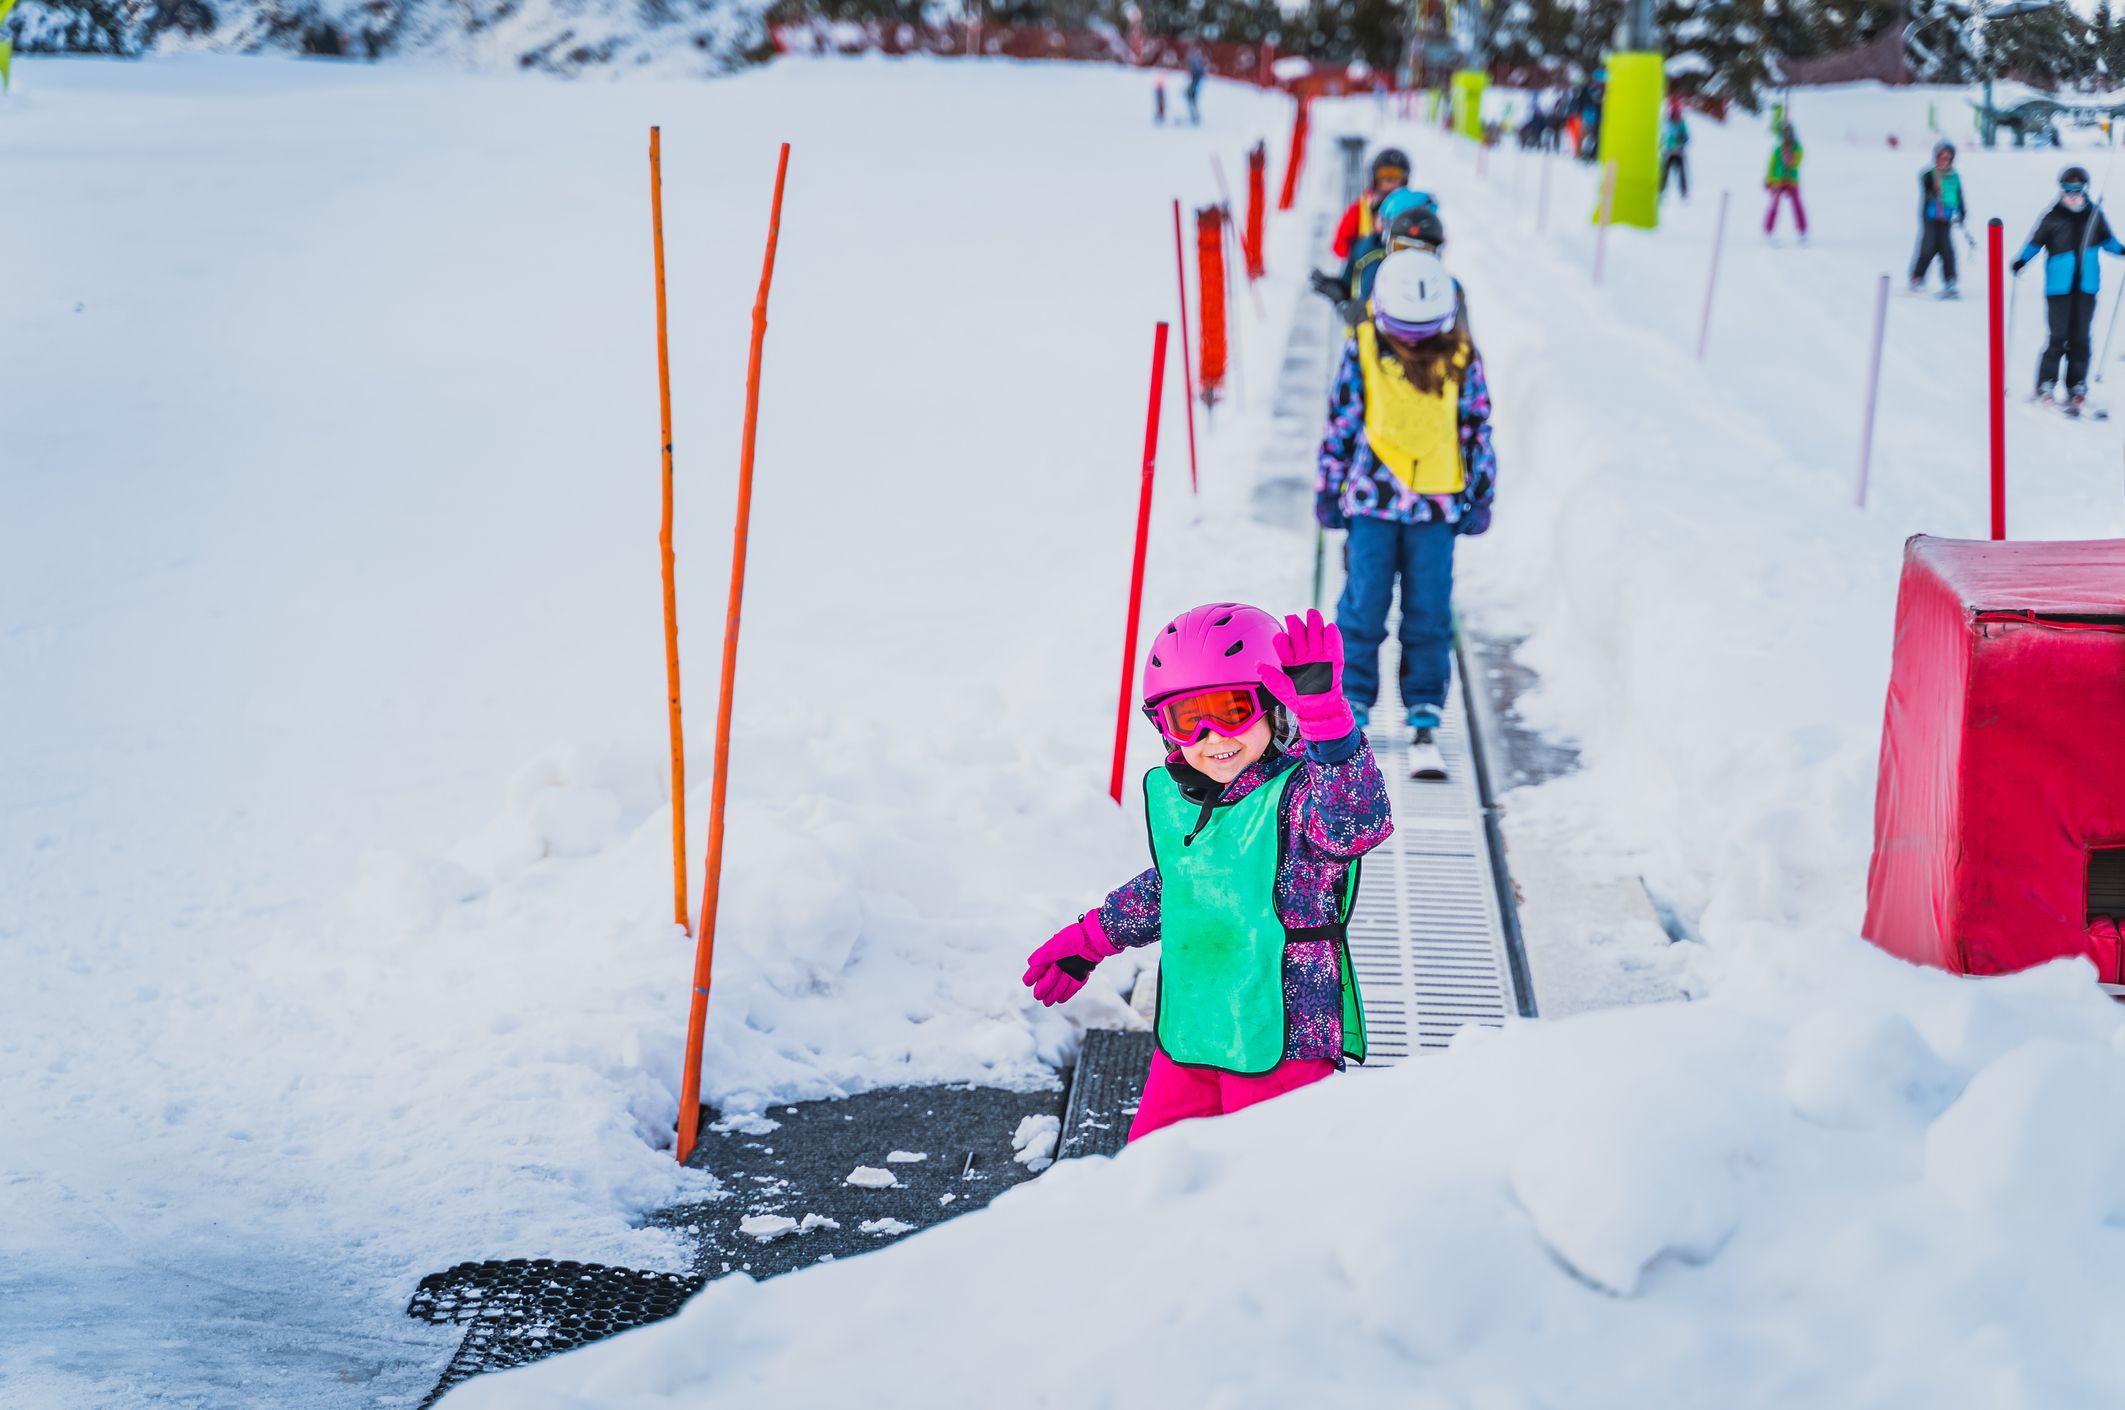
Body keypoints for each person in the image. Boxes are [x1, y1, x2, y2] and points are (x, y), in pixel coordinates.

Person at [1020, 605, 1389, 1140]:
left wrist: (1328, 727)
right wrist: (1090, 938)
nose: (1213, 736)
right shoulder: (1189, 799)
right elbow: (1178, 886)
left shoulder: (1303, 799)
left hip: (1282, 1041)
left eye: (1232, 709)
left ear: (1274, 708)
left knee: (1270, 1185)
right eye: (1189, 719)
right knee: (1157, 1171)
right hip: (1194, 1033)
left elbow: (1359, 821)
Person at [1316, 249, 1497, 778]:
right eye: (1403, 329)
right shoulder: (1364, 348)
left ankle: (1424, 705)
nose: (1414, 340)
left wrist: (1481, 492)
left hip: (1436, 507)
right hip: (1373, 503)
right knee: (1363, 606)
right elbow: (1342, 421)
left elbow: (1475, 426)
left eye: (1424, 330)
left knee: (1429, 610)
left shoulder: (1461, 355)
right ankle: (1353, 701)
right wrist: (1329, 487)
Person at [2012, 165, 2125, 412]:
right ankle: (2046, 384)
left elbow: (2109, 242)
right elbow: (2035, 242)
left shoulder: (2094, 215)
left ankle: (2077, 386)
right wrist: (2021, 260)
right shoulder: (2052, 216)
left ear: (2085, 189)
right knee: (2058, 337)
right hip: (2058, 288)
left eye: (2077, 189)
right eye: (2068, 189)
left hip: (2086, 287)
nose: (2073, 194)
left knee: (2081, 339)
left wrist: (2122, 250)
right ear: (2061, 189)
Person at [1331, 147, 1409, 262]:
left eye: (1396, 175)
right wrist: (1362, 245)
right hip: (1365, 268)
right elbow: (1339, 245)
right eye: (1385, 174)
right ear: (1375, 177)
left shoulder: (1411, 207)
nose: (1390, 180)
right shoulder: (1361, 208)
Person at [1911, 140, 1967, 298]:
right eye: (1942, 157)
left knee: (1946, 249)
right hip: (1930, 216)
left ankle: (1950, 280)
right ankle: (1917, 278)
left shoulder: (1954, 177)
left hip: (1946, 217)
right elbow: (1926, 190)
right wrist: (1934, 193)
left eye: (1948, 158)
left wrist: (1962, 212)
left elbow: (1959, 196)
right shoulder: (1928, 174)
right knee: (1927, 247)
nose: (1945, 161)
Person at [1764, 124, 1806, 242]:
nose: (1787, 138)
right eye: (1785, 135)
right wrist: (1769, 180)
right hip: (1778, 181)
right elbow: (1772, 165)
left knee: (1797, 204)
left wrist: (1790, 158)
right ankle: (1769, 230)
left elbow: (1797, 161)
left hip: (1791, 181)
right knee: (1774, 204)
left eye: (1789, 135)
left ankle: (1802, 230)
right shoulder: (1778, 149)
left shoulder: (1797, 148)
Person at [1660, 97, 1690, 201]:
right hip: (1669, 151)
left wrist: (1683, 139)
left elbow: (1686, 136)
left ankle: (1683, 191)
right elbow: (1664, 135)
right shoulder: (1667, 122)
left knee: (1681, 171)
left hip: (1678, 151)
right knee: (1665, 171)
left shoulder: (1681, 123)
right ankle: (1661, 190)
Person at [1185, 48, 1207, 125]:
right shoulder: (1197, 67)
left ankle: (1195, 117)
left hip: (1195, 87)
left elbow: (1196, 81)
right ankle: (1195, 116)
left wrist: (1191, 89)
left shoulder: (1196, 69)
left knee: (1192, 101)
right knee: (1192, 101)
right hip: (1195, 87)